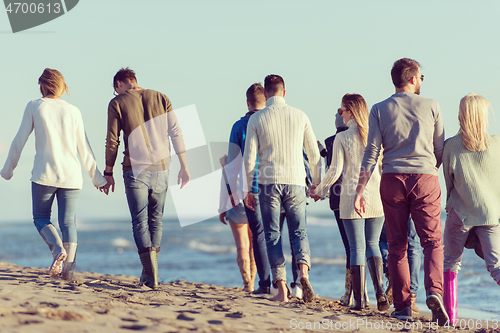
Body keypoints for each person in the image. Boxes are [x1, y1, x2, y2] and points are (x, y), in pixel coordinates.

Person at [354, 58, 448, 324]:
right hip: (425, 177)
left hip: (392, 179)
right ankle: (434, 292)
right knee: (432, 242)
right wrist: (428, 170)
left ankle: (403, 306)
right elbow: (439, 149)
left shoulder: (379, 109)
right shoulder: (432, 106)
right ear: (414, 79)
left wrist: (360, 190)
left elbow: (372, 152)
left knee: (397, 245)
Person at [1, 68, 107, 280]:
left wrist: (8, 169)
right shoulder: (73, 110)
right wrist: (97, 178)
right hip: (72, 176)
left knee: (40, 218)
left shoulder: (34, 106)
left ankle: (57, 249)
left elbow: (19, 140)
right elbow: (84, 147)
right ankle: (69, 271)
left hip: (44, 174)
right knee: (69, 223)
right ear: (62, 86)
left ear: (42, 85)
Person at [103, 68, 190, 289]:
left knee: (140, 221)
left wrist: (108, 171)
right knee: (156, 220)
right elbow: (176, 132)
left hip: (135, 169)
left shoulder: (117, 103)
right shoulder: (161, 97)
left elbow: (113, 141)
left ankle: (150, 276)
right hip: (162, 167)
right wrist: (185, 166)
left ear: (119, 84)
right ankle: (150, 274)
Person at [243, 74, 321, 303]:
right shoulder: (300, 115)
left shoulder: (256, 119)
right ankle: (303, 272)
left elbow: (249, 159)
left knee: (272, 234)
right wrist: (316, 184)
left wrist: (249, 189)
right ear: (284, 92)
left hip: (268, 183)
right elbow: (314, 155)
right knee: (299, 231)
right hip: (296, 181)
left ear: (265, 94)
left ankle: (281, 287)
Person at [310, 94, 388, 311]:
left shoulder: (342, 138)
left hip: (351, 197)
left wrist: (319, 191)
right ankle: (380, 292)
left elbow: (335, 171)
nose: (340, 114)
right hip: (376, 197)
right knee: (373, 245)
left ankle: (361, 301)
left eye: (342, 110)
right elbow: (382, 167)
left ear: (351, 111)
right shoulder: (375, 135)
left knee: (356, 247)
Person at [442, 93, 500, 324]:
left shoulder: (450, 147)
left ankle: (450, 318)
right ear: (484, 116)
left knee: (451, 263)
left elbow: (448, 181)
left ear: (461, 115)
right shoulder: (497, 144)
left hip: (460, 213)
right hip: (490, 213)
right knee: (496, 266)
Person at [219, 83, 271, 295]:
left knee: (243, 244)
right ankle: (262, 280)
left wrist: (226, 199)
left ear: (247, 102)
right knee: (258, 241)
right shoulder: (270, 123)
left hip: (241, 192)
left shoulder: (238, 127)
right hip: (267, 189)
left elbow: (230, 165)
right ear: (266, 100)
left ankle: (248, 283)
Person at [320, 112, 351, 305]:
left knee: (350, 247)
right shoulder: (357, 138)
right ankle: (384, 279)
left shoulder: (331, 140)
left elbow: (330, 166)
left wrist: (321, 190)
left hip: (338, 199)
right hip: (360, 197)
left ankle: (349, 292)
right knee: (366, 244)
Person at [380, 217, 421, 313]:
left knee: (385, 240)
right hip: (416, 203)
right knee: (413, 245)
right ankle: (411, 295)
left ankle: (391, 273)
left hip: (391, 203)